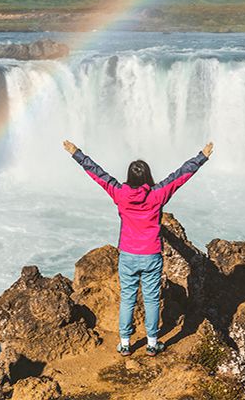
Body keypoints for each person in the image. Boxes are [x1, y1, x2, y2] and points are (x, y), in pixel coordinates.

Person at [63, 140, 213, 357]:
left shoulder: (120, 194)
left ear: (130, 177)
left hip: (128, 255)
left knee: (128, 298)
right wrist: (202, 157)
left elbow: (98, 174)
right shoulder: (157, 195)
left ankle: (125, 344)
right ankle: (152, 343)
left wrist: (76, 154)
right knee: (152, 299)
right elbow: (180, 176)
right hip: (151, 254)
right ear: (147, 177)